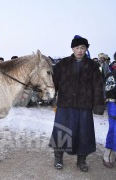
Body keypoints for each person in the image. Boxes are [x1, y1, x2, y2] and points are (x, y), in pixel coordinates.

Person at [49, 35, 104, 172]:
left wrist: (98, 104)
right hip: (65, 104)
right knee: (62, 131)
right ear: (72, 48)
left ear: (86, 49)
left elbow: (98, 86)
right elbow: (53, 82)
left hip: (84, 106)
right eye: (77, 47)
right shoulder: (63, 64)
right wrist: (49, 95)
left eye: (83, 48)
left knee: (83, 133)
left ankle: (81, 160)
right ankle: (58, 157)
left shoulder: (92, 65)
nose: (80, 50)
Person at [103, 60, 116, 168]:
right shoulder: (111, 76)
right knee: (114, 129)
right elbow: (108, 92)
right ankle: (107, 155)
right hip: (113, 105)